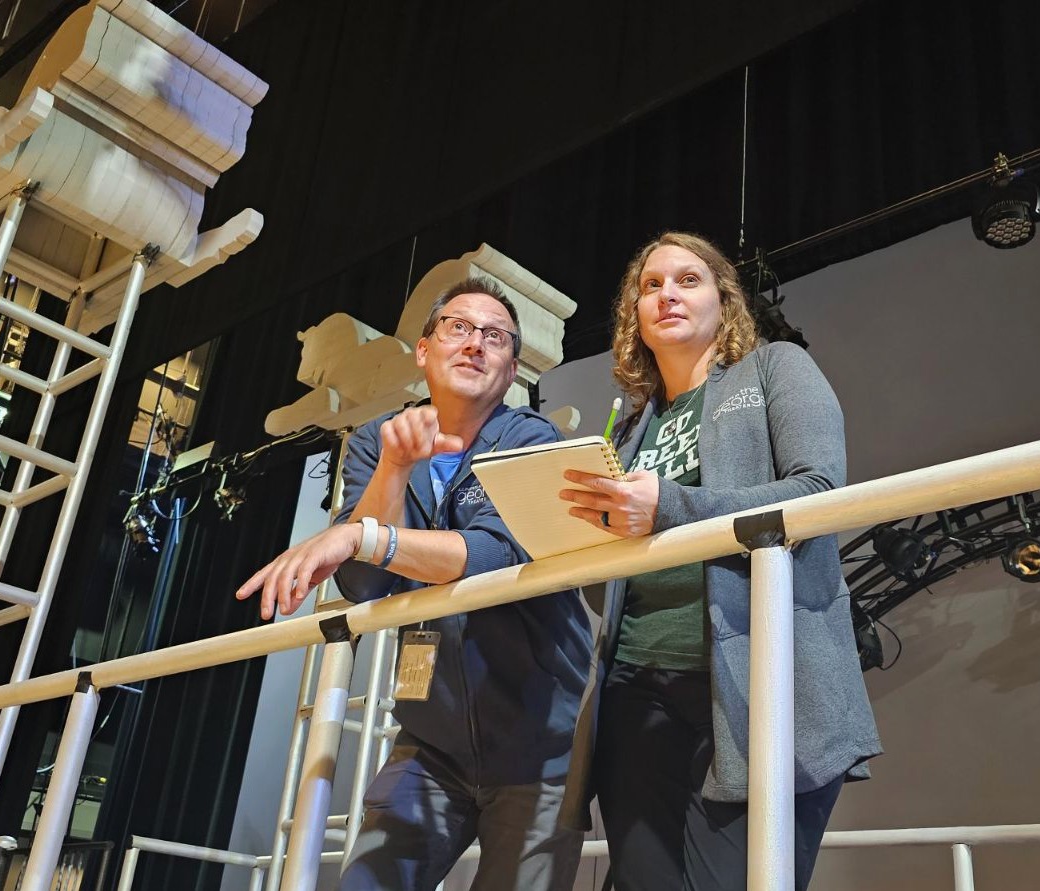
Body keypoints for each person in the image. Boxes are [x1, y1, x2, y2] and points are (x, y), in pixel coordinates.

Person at [237, 276, 592, 891]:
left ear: (511, 370)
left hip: (538, 742)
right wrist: (395, 473)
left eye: (496, 337)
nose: (476, 343)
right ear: (424, 350)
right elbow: (362, 582)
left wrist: (363, 535)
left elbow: (493, 555)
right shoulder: (379, 441)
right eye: (459, 327)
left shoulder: (532, 439)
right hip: (430, 740)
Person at [556, 232, 881, 890]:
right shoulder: (628, 430)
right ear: (633, 317)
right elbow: (617, 587)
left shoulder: (774, 369)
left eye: (687, 279)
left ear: (723, 301)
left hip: (752, 685)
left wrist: (669, 505)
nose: (667, 293)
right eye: (650, 286)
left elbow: (819, 492)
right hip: (633, 688)